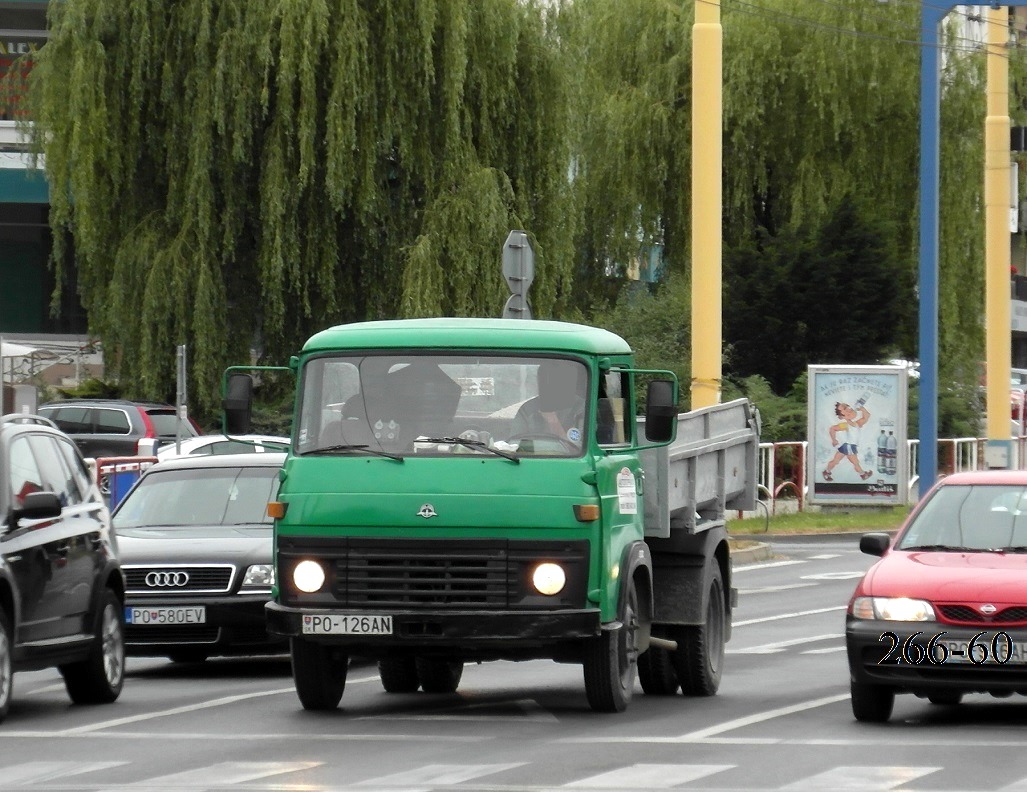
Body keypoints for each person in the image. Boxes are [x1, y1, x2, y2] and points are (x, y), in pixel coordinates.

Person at [510, 360, 586, 447]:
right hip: (533, 458)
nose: (547, 385)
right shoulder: (528, 409)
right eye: (543, 380)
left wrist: (553, 421)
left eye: (553, 380)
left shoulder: (582, 409)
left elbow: (577, 451)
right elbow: (514, 446)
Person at [823, 401, 872, 481]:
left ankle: (826, 471)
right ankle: (863, 474)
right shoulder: (846, 425)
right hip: (849, 446)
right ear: (842, 417)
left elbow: (867, 416)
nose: (848, 411)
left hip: (848, 446)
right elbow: (833, 428)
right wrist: (834, 440)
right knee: (855, 462)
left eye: (847, 408)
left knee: (836, 460)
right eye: (844, 411)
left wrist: (862, 409)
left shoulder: (857, 423)